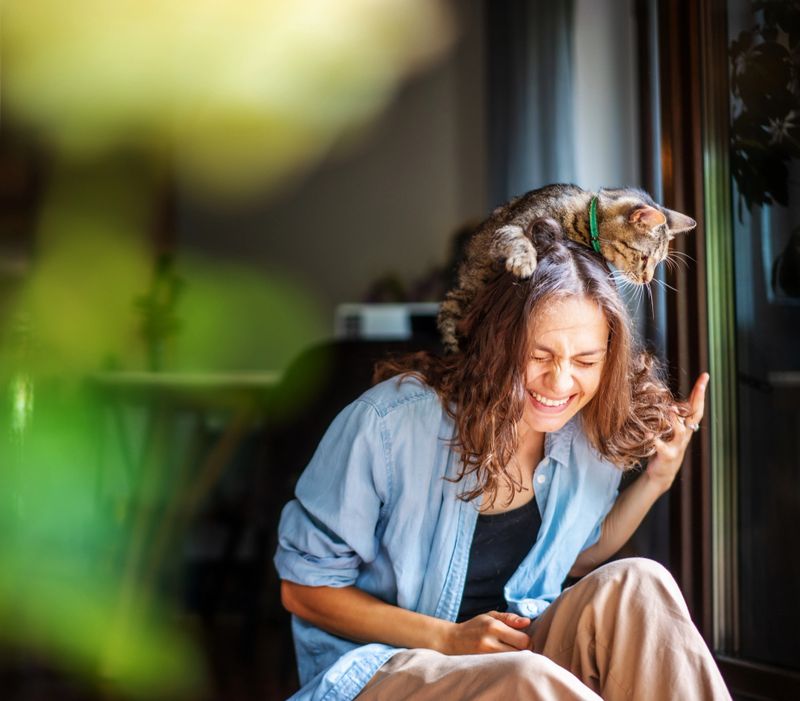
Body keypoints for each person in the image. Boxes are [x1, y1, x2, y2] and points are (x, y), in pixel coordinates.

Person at [274, 220, 731, 700]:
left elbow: (575, 557)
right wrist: (450, 641)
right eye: (540, 355)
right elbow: (303, 590)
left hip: (520, 653)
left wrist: (657, 479)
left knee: (641, 582)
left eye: (586, 361)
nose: (560, 383)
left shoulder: (586, 429)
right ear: (499, 341)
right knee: (524, 676)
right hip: (385, 668)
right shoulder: (388, 424)